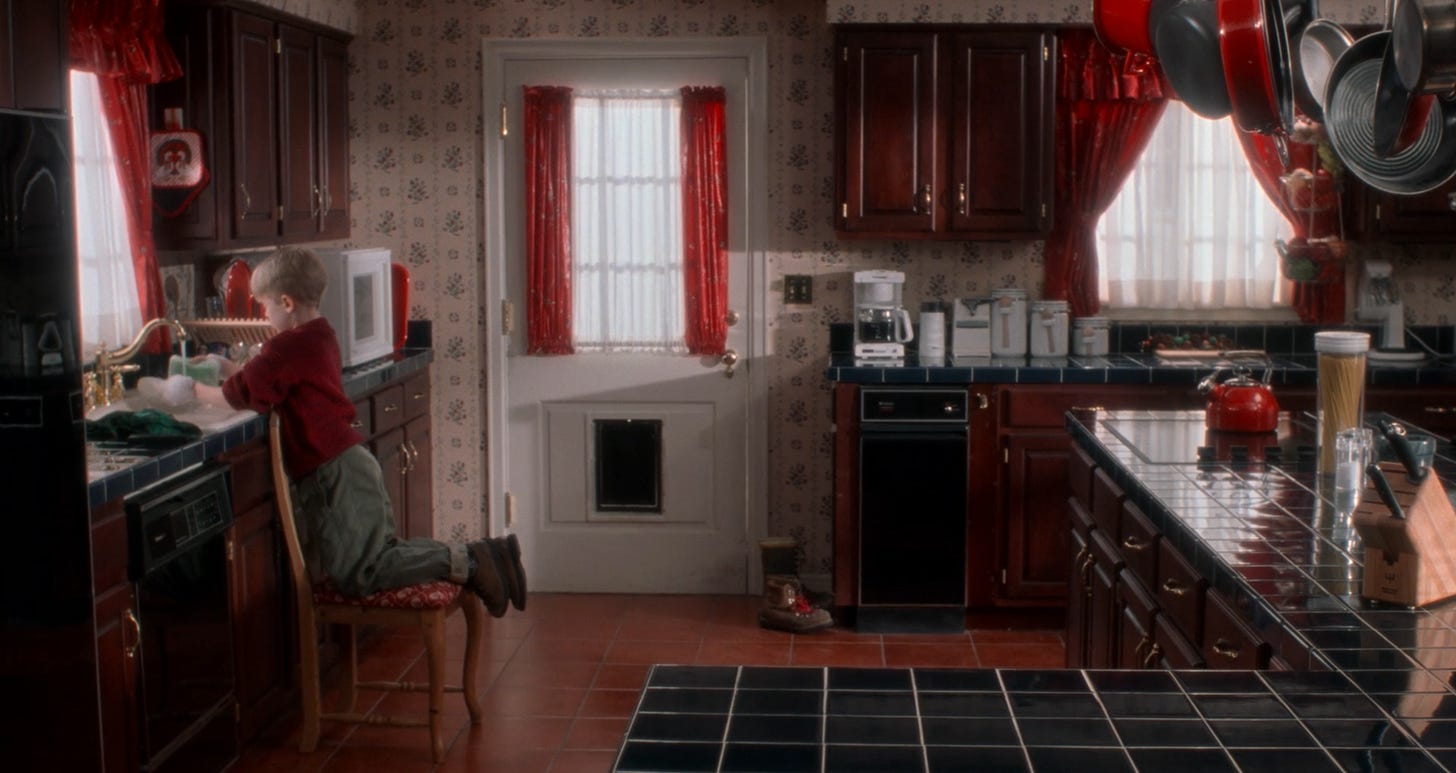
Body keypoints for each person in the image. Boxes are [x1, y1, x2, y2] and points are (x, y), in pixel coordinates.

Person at [192, 247, 525, 616]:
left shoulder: (286, 346)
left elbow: (239, 394)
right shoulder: (320, 335)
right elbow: (258, 377)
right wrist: (220, 365)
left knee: (360, 575)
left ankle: (472, 561)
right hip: (352, 462)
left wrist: (190, 390)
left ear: (286, 302)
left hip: (330, 474)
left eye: (266, 307)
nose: (265, 316)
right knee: (382, 553)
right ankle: (485, 555)